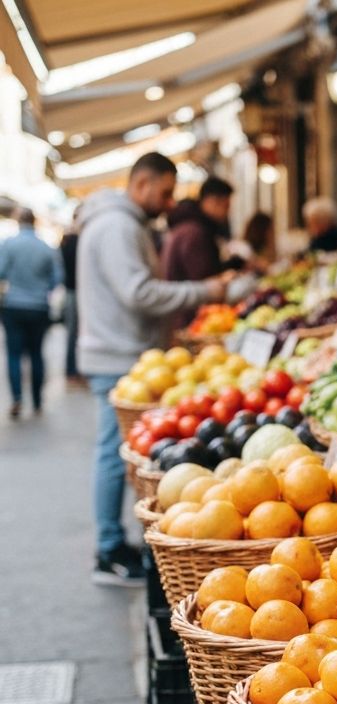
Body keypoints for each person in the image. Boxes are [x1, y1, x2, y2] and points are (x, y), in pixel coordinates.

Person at [77, 152, 229, 587]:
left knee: (114, 450)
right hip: (118, 353)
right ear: (142, 184)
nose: (168, 203)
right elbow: (138, 293)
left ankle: (112, 543)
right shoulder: (117, 227)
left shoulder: (121, 224)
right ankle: (107, 550)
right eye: (164, 192)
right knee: (112, 450)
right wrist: (205, 290)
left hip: (124, 351)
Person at [0, 207, 64, 419]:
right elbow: (57, 278)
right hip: (38, 306)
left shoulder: (9, 244)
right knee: (36, 354)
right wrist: (41, 288)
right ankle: (37, 401)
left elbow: (1, 271)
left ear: (18, 221)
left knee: (14, 354)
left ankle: (17, 397)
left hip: (14, 305)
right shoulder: (46, 247)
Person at [160, 176, 234, 328]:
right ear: (212, 201)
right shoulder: (195, 233)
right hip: (189, 320)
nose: (227, 213)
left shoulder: (188, 227)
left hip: (180, 315)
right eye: (226, 206)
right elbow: (203, 279)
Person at [60, 209, 86, 388]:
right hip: (75, 292)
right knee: (74, 334)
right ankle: (72, 371)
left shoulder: (68, 240)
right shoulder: (73, 241)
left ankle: (75, 371)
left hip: (75, 292)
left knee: (76, 333)